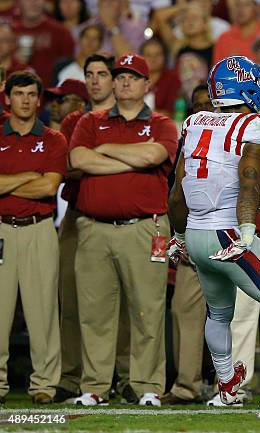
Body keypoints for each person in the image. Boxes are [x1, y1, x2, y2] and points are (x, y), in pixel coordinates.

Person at [168, 55, 260, 419]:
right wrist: (247, 230)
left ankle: (227, 385)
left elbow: (176, 190)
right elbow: (250, 176)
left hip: (196, 231)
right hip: (228, 231)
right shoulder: (257, 126)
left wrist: (177, 235)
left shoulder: (194, 121)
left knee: (219, 312)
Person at [69, 53, 178, 406]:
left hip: (144, 228)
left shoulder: (162, 123)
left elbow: (154, 157)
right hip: (94, 229)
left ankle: (147, 386)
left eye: (133, 76)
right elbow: (78, 160)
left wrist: (106, 150)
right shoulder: (90, 120)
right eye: (120, 76)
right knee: (94, 312)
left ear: (147, 85)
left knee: (147, 309)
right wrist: (130, 159)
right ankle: (95, 388)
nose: (125, 81)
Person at [54, 53, 134, 404]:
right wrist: (124, 161)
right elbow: (65, 168)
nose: (96, 80)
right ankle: (72, 376)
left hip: (127, 216)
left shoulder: (130, 117)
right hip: (79, 214)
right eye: (90, 74)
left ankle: (128, 376)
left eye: (103, 74)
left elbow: (150, 162)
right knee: (72, 300)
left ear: (115, 80)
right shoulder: (75, 120)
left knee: (130, 302)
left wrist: (94, 161)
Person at [0, 71, 68, 405]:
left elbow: (48, 186)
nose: (25, 100)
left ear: (39, 99)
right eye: (18, 94)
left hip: (40, 228)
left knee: (43, 312)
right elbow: (37, 181)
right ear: (7, 98)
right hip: (1, 228)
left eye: (31, 94)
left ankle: (44, 384)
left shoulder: (54, 139)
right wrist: (28, 175)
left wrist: (8, 180)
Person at [161, 83, 214, 406]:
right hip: (193, 232)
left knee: (237, 315)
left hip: (231, 234)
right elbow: (176, 194)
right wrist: (180, 235)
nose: (203, 110)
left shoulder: (238, 135)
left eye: (210, 103)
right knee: (183, 309)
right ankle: (187, 385)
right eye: (197, 105)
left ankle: (231, 385)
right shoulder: (187, 141)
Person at [13, 0, 75, 87]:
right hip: (14, 93)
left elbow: (70, 68)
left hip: (50, 95)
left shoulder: (61, 32)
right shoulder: (8, 32)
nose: (33, 3)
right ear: (18, 2)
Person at [212, 0, 260, 65]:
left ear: (257, 8)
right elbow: (217, 72)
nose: (240, 10)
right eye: (237, 5)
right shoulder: (224, 38)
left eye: (246, 5)